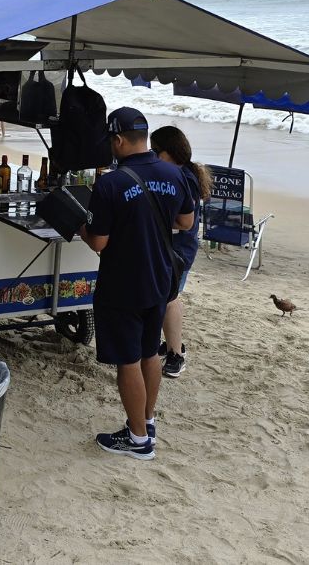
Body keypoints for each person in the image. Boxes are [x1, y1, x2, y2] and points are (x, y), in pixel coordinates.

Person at [82, 107, 195, 460]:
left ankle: (137, 439)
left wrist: (79, 225)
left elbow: (99, 242)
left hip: (123, 282)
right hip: (160, 279)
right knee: (149, 353)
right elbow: (186, 222)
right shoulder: (174, 173)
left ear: (118, 140)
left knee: (128, 361)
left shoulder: (110, 183)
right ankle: (147, 421)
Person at [150, 126, 211, 378]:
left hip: (179, 250)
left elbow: (183, 221)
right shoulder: (180, 173)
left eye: (156, 151)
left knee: (170, 298)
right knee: (163, 297)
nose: (153, 156)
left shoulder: (183, 178)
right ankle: (169, 346)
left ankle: (176, 354)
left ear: (169, 152)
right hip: (172, 246)